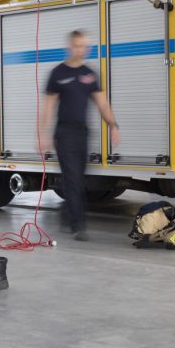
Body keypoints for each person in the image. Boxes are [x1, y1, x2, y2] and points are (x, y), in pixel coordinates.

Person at [38, 30, 119, 240]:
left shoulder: (89, 74)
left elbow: (102, 103)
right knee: (73, 179)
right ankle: (78, 225)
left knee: (76, 178)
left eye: (85, 46)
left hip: (82, 132)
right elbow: (48, 106)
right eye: (78, 45)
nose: (82, 49)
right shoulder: (58, 73)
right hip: (63, 133)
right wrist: (43, 134)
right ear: (70, 47)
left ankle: (67, 214)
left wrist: (113, 125)